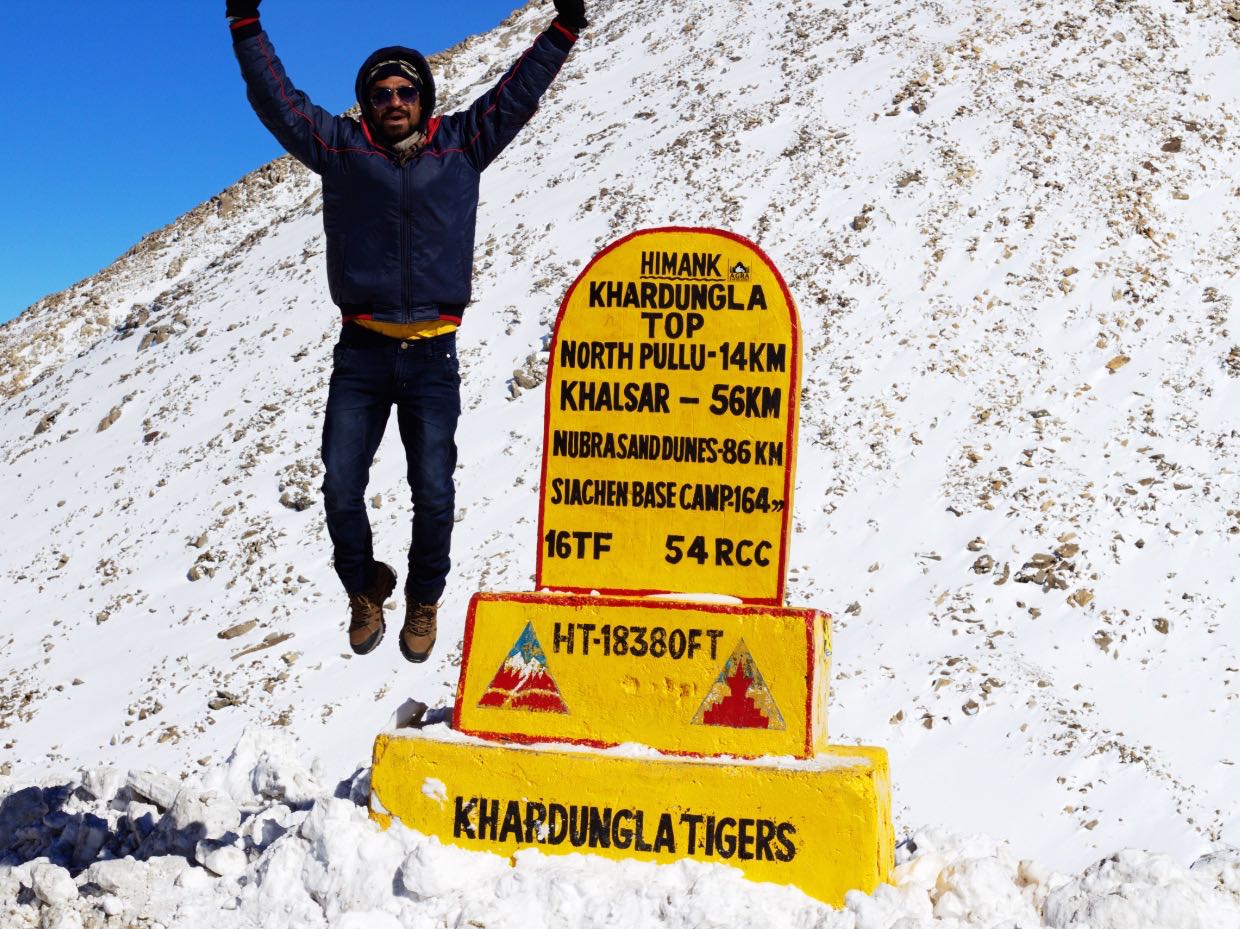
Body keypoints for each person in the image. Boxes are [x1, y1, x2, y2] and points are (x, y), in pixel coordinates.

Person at [227, 0, 587, 662]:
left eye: (405, 90)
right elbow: (277, 100)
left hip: (431, 356)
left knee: (435, 487)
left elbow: (519, 90)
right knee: (340, 482)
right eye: (381, 92)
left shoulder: (463, 144)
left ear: (423, 99)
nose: (394, 99)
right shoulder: (339, 149)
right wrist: (245, 23)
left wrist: (563, 28)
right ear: (366, 103)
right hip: (361, 353)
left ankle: (423, 598)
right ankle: (365, 590)